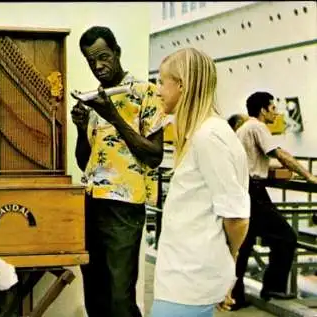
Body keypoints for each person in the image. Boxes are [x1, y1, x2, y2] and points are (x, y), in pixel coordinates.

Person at [71, 26, 166, 317]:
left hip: (124, 208)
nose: (98, 65)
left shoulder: (146, 93)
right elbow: (83, 162)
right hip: (91, 202)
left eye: (103, 56)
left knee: (120, 297)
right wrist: (79, 128)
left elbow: (154, 156)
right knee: (95, 294)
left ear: (117, 52)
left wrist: (112, 114)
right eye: (91, 61)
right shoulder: (94, 98)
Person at [151, 48, 250, 317]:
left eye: (162, 82)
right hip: (185, 281)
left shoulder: (209, 137)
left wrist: (226, 265)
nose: (157, 90)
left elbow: (237, 217)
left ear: (181, 85)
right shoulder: (205, 134)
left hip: (188, 285)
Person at [231, 91, 317, 308]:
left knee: (245, 244)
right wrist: (308, 175)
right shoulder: (258, 127)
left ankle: (235, 296)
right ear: (263, 110)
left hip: (243, 189)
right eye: (273, 108)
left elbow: (259, 161)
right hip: (254, 191)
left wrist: (288, 169)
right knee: (286, 236)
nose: (277, 113)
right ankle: (274, 287)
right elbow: (280, 154)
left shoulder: (244, 129)